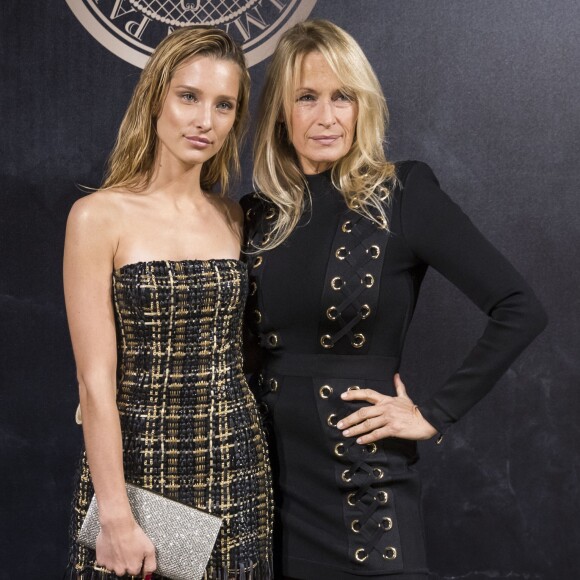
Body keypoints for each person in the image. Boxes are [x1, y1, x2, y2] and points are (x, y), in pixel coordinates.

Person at [242, 19, 547, 580]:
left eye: (343, 97)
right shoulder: (254, 216)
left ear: (363, 107)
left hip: (365, 489)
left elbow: (519, 307)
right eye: (307, 97)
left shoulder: (401, 193)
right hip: (265, 491)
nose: (327, 116)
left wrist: (434, 414)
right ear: (281, 112)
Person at [63, 27, 272, 579]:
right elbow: (93, 383)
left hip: (234, 463)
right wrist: (115, 516)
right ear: (156, 96)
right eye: (189, 96)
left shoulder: (234, 217)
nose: (206, 120)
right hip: (132, 473)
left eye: (223, 105)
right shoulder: (99, 217)